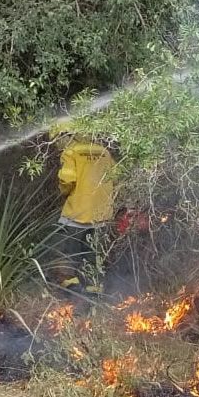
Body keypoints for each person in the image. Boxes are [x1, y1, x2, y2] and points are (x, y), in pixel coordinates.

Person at [51, 119, 116, 295]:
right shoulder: (103, 151)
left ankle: (70, 287)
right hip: (102, 213)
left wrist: (64, 192)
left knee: (68, 251)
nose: (57, 143)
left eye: (58, 138)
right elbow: (116, 177)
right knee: (94, 252)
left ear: (66, 135)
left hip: (77, 212)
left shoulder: (71, 152)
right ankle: (94, 288)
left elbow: (67, 179)